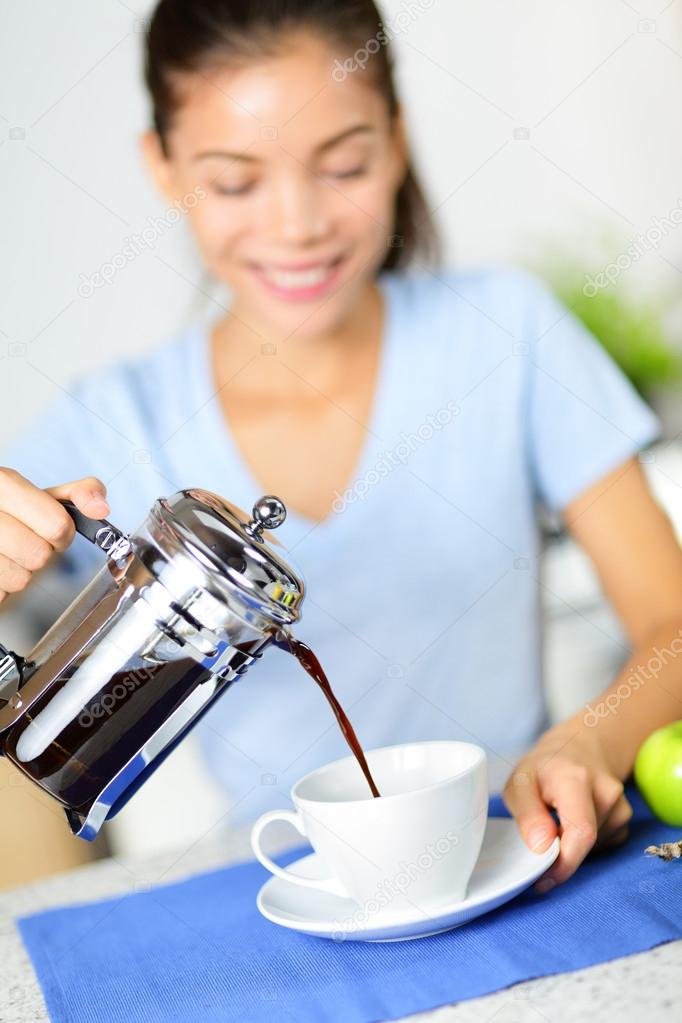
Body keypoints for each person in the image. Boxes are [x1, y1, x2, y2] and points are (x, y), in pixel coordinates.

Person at [1, 0, 681, 897]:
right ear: (162, 167)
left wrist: (590, 738)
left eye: (345, 163)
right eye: (235, 182)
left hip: (515, 853)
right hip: (270, 892)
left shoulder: (506, 336)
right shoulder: (111, 418)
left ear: (397, 141)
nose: (297, 224)